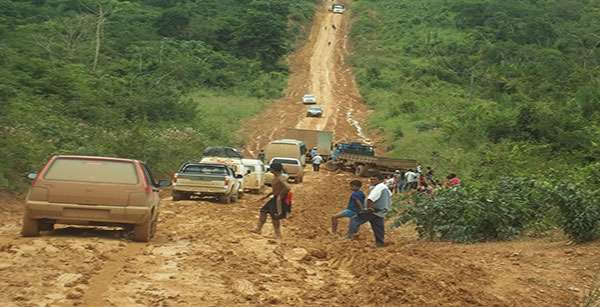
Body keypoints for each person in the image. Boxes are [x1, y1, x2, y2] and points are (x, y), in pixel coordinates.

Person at [347, 173, 392, 247]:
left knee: (355, 220)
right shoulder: (384, 187)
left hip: (373, 211)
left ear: (380, 180)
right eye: (371, 179)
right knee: (378, 227)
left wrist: (368, 209)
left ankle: (349, 238)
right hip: (380, 211)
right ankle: (380, 243)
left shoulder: (379, 187)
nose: (372, 181)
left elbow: (370, 199)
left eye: (374, 179)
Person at [252, 162, 290, 239]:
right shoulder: (276, 177)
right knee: (263, 211)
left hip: (279, 200)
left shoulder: (280, 178)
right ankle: (258, 229)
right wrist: (266, 196)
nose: (270, 170)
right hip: (274, 199)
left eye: (271, 169)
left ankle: (278, 235)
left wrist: (280, 196)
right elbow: (276, 189)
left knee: (275, 217)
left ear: (274, 170)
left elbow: (288, 187)